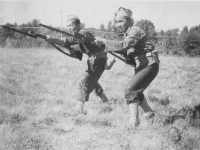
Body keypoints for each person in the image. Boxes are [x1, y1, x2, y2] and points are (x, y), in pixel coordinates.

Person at [94, 7, 160, 127]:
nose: (118, 24)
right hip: (142, 64)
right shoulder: (128, 32)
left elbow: (124, 45)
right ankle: (150, 114)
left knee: (130, 89)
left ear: (130, 20)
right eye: (116, 21)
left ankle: (134, 122)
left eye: (121, 21)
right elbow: (127, 49)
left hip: (149, 64)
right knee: (137, 91)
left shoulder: (134, 30)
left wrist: (104, 42)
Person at [46, 15, 109, 113]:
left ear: (78, 25)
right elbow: (77, 54)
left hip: (98, 59)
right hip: (94, 59)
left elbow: (67, 41)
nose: (69, 28)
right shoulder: (78, 37)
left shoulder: (81, 34)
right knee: (92, 80)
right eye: (67, 26)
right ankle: (105, 100)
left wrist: (53, 39)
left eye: (71, 25)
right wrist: (56, 43)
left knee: (83, 81)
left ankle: (79, 107)